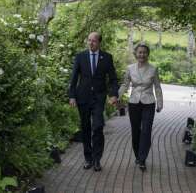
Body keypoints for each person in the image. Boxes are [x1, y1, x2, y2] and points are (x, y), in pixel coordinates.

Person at [69, 32, 118, 171]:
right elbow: (73, 78)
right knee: (85, 128)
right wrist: (72, 96)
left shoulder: (107, 58)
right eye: (89, 40)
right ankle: (88, 159)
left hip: (98, 98)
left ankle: (97, 160)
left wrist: (113, 94)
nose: (91, 43)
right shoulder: (80, 56)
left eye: (94, 41)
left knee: (98, 126)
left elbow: (113, 79)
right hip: (82, 97)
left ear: (99, 42)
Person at [118, 43, 163, 171]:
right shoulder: (130, 68)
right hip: (134, 103)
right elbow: (125, 85)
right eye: (140, 52)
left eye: (144, 52)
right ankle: (137, 155)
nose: (142, 54)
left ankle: (142, 159)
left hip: (149, 103)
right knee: (136, 131)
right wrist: (118, 96)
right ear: (136, 54)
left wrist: (160, 103)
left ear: (147, 54)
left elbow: (157, 87)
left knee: (146, 131)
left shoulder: (153, 69)